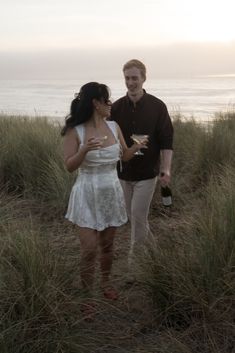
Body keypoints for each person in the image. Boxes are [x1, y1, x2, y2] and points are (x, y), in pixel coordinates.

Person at [61, 82, 146, 313]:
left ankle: (106, 283)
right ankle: (87, 296)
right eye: (106, 100)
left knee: (107, 245)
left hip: (111, 190)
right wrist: (84, 150)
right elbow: (69, 166)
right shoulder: (75, 131)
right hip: (87, 192)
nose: (110, 104)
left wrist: (137, 146)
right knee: (89, 249)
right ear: (95, 103)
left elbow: (125, 156)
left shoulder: (114, 126)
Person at [110, 59, 174, 264]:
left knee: (138, 217)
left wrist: (166, 169)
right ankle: (156, 255)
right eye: (127, 78)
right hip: (123, 173)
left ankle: (134, 267)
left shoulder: (158, 106)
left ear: (144, 78)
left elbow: (166, 141)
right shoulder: (116, 108)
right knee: (135, 219)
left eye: (135, 78)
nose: (131, 82)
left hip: (148, 173)